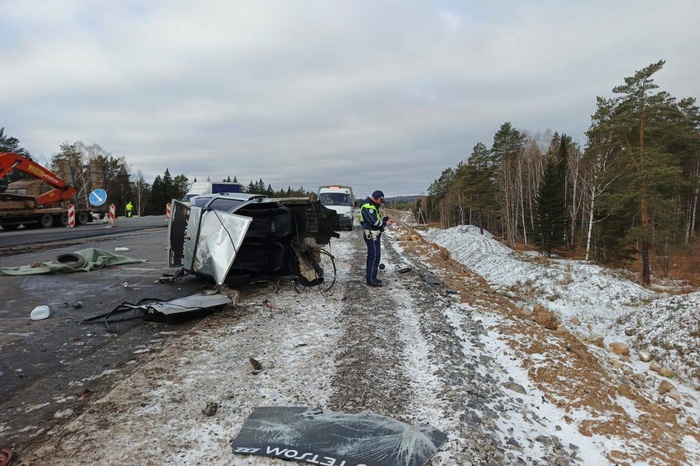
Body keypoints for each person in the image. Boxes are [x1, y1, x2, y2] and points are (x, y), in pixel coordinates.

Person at [359, 190, 394, 287]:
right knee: (373, 256)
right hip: (371, 235)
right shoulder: (367, 206)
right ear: (377, 198)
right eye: (380, 201)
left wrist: (384, 219)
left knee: (376, 256)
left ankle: (373, 277)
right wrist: (385, 223)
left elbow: (376, 219)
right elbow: (373, 221)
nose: (381, 203)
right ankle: (370, 280)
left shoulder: (373, 206)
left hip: (375, 234)